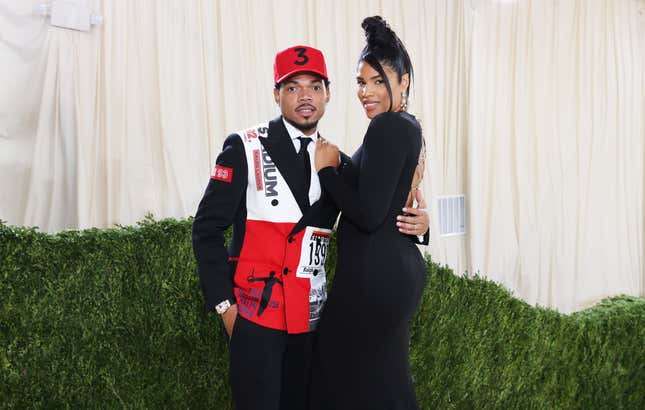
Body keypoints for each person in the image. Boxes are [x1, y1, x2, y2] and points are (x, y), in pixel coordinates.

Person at [192, 44, 429, 410]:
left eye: (315, 87)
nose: (306, 96)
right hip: (257, 321)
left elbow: (375, 209)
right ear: (276, 94)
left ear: (328, 94)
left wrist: (423, 226)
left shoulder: (333, 161)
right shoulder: (244, 147)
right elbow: (206, 229)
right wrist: (225, 307)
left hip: (311, 323)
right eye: (293, 87)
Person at [310, 16, 427, 410]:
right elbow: (380, 186)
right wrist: (341, 161)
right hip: (393, 272)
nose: (367, 92)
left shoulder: (385, 128)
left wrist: (326, 171)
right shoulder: (408, 126)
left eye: (379, 81)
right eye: (362, 82)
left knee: (333, 375)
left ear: (404, 81)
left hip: (373, 277)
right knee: (386, 384)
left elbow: (368, 212)